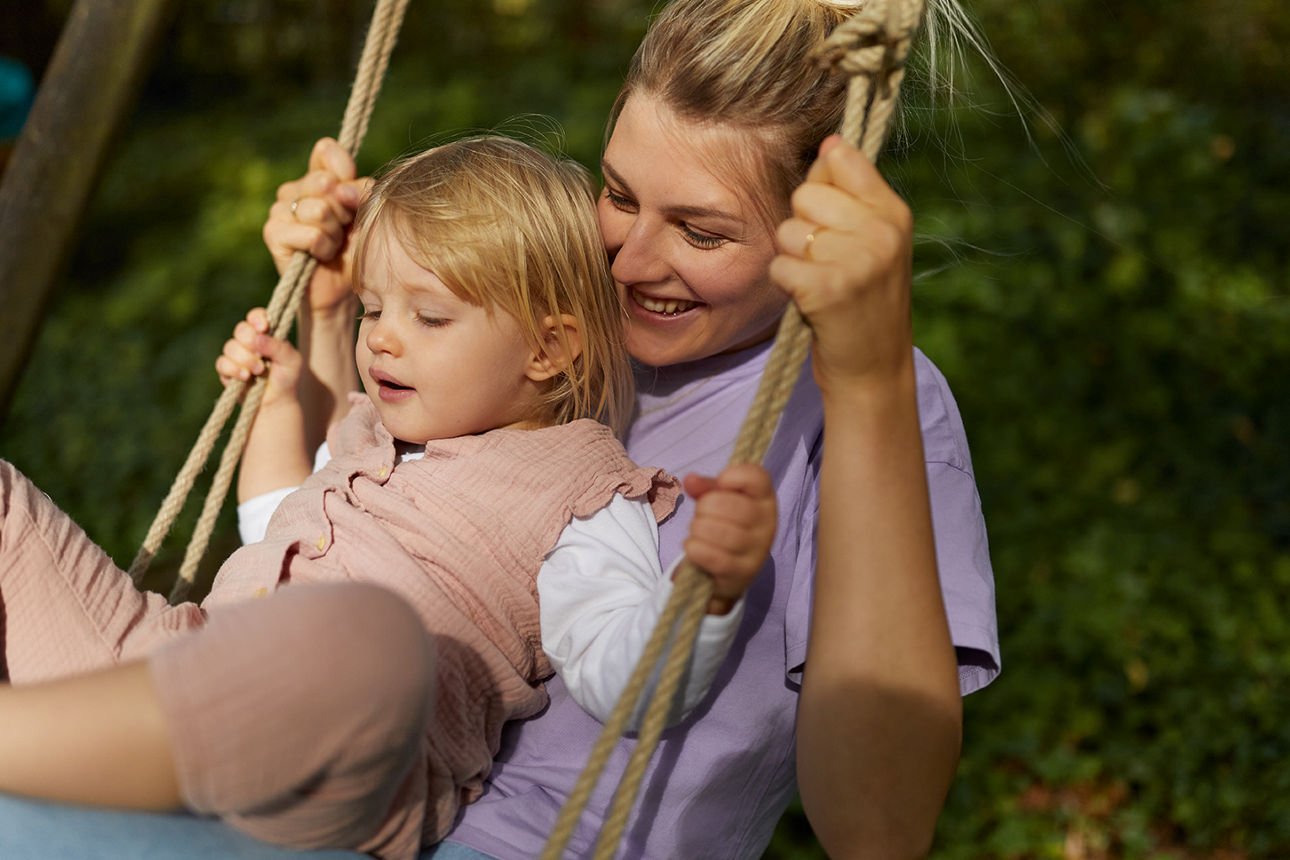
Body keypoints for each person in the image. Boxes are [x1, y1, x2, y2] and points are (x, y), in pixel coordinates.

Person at [0, 0, 1000, 857]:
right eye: (616, 195)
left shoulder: (866, 396)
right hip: (234, 713)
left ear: (818, 230)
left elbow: (880, 828)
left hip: (432, 817)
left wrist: (865, 378)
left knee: (366, 645)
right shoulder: (547, 311)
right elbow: (310, 514)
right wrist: (336, 312)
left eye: (701, 232)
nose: (630, 260)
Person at [0, 136, 775, 860]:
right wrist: (277, 407)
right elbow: (273, 528)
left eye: (428, 316)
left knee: (369, 636)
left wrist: (701, 596)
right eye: (374, 310)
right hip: (181, 660)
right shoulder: (371, 429)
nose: (382, 339)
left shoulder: (580, 487)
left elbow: (627, 680)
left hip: (334, 768)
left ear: (549, 349)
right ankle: (56, 737)